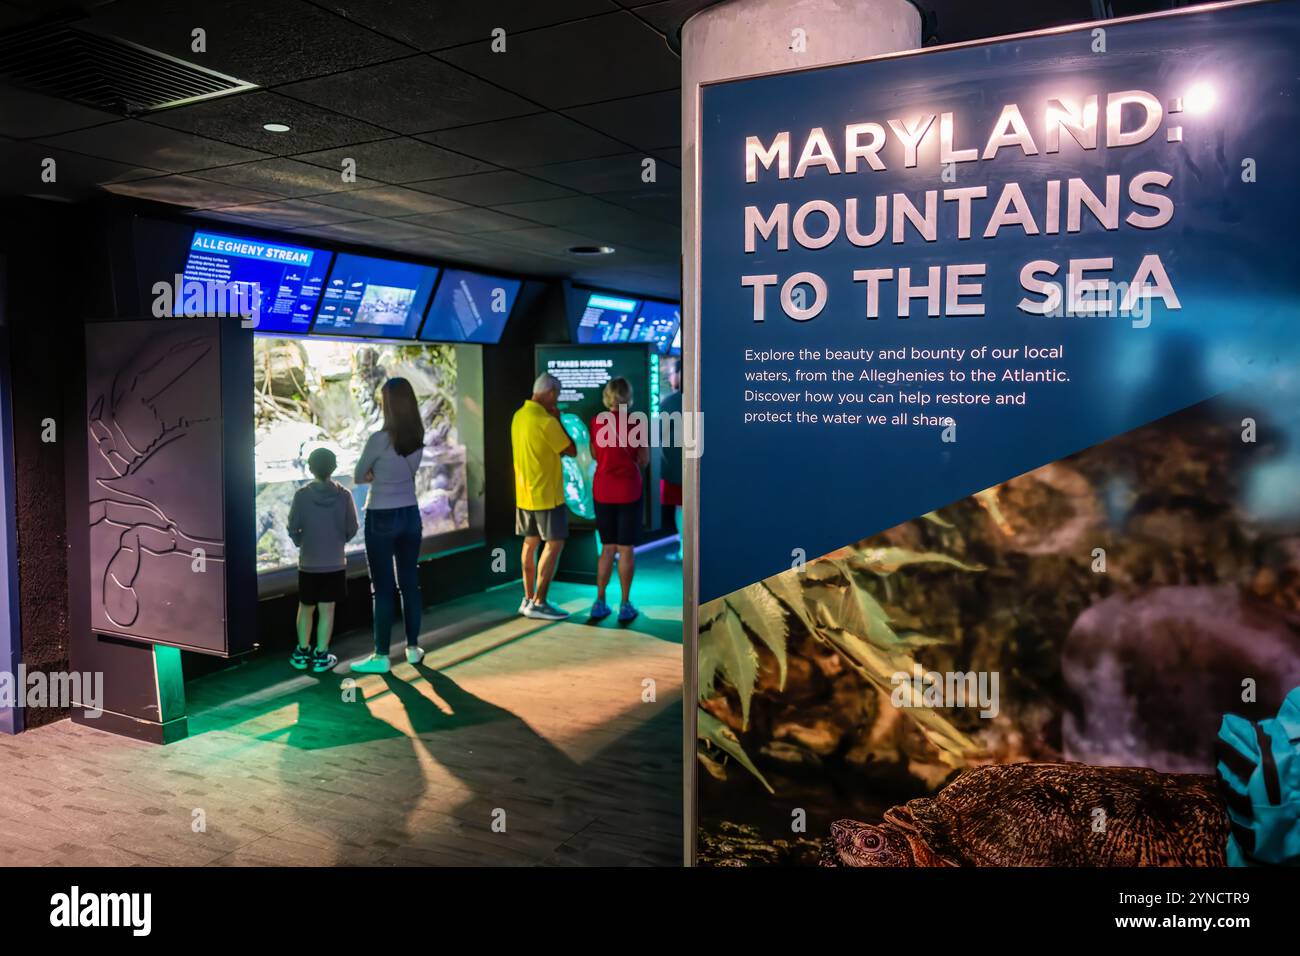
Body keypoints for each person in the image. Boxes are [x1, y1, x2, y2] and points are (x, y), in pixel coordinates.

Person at [350, 378, 426, 674]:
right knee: (410, 583)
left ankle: (381, 656)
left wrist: (373, 474)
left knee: (382, 587)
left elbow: (358, 474)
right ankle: (413, 649)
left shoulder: (379, 440)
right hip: (410, 514)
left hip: (381, 515)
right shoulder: (418, 436)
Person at [286, 447, 358, 672]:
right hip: (335, 563)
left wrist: (301, 543)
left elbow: (292, 527)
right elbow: (352, 527)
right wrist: (338, 542)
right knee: (327, 609)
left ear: (309, 467)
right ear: (335, 467)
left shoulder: (301, 495)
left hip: (308, 563)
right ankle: (321, 655)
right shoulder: (344, 495)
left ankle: (301, 652)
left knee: (305, 607)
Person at [511, 372, 576, 621]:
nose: (556, 402)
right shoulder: (546, 421)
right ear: (549, 393)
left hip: (524, 494)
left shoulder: (519, 417)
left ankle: (528, 598)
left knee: (530, 544)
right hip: (547, 495)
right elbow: (570, 449)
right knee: (555, 543)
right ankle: (540, 601)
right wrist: (558, 420)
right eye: (556, 396)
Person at [590, 377, 648, 623]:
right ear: (628, 396)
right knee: (626, 549)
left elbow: (594, 454)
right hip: (628, 491)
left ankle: (600, 601)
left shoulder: (596, 422)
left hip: (602, 490)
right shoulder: (637, 422)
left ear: (608, 396)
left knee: (607, 548)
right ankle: (625, 604)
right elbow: (643, 459)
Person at [658, 357, 684, 562]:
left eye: (671, 373)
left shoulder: (669, 403)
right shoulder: (706, 397)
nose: (670, 377)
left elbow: (660, 437)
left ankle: (685, 548)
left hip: (676, 470)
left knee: (682, 508)